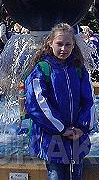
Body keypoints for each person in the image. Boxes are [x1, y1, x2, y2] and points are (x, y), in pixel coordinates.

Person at [24, 23, 94, 180]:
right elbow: (37, 104)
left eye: (68, 44)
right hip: (51, 139)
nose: (63, 49)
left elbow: (89, 100)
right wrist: (61, 129)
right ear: (50, 43)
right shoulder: (42, 69)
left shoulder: (79, 68)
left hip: (76, 137)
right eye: (59, 44)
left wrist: (82, 127)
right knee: (55, 175)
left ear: (73, 45)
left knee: (76, 175)